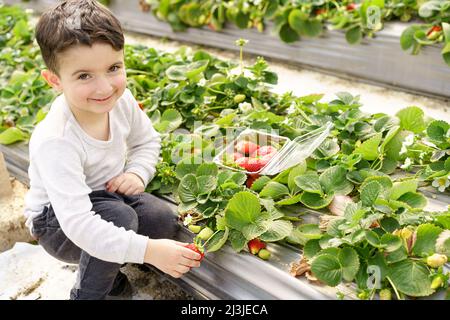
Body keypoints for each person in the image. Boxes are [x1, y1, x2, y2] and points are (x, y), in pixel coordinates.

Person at [23, 0, 201, 300]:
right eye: (84, 76)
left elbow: (147, 141)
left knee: (160, 220)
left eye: (113, 68)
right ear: (54, 80)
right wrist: (150, 251)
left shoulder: (122, 101)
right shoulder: (56, 139)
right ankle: (89, 292)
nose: (105, 87)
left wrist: (138, 172)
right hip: (57, 224)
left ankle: (111, 265)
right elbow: (79, 224)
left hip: (107, 198)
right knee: (118, 219)